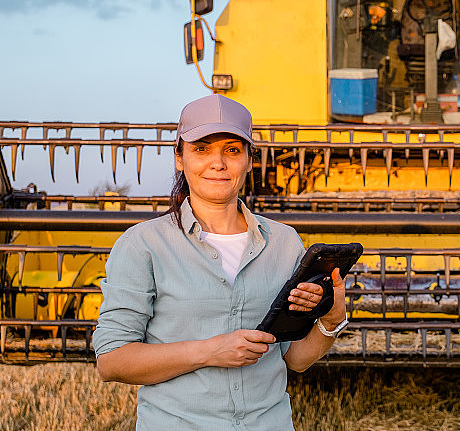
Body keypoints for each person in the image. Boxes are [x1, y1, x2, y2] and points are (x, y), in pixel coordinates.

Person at [93, 94, 348, 430]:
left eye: (232, 149)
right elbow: (112, 361)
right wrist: (209, 351)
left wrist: (332, 317)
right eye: (201, 149)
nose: (218, 163)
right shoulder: (143, 245)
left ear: (249, 160)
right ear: (179, 159)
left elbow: (295, 359)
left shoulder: (284, 242)